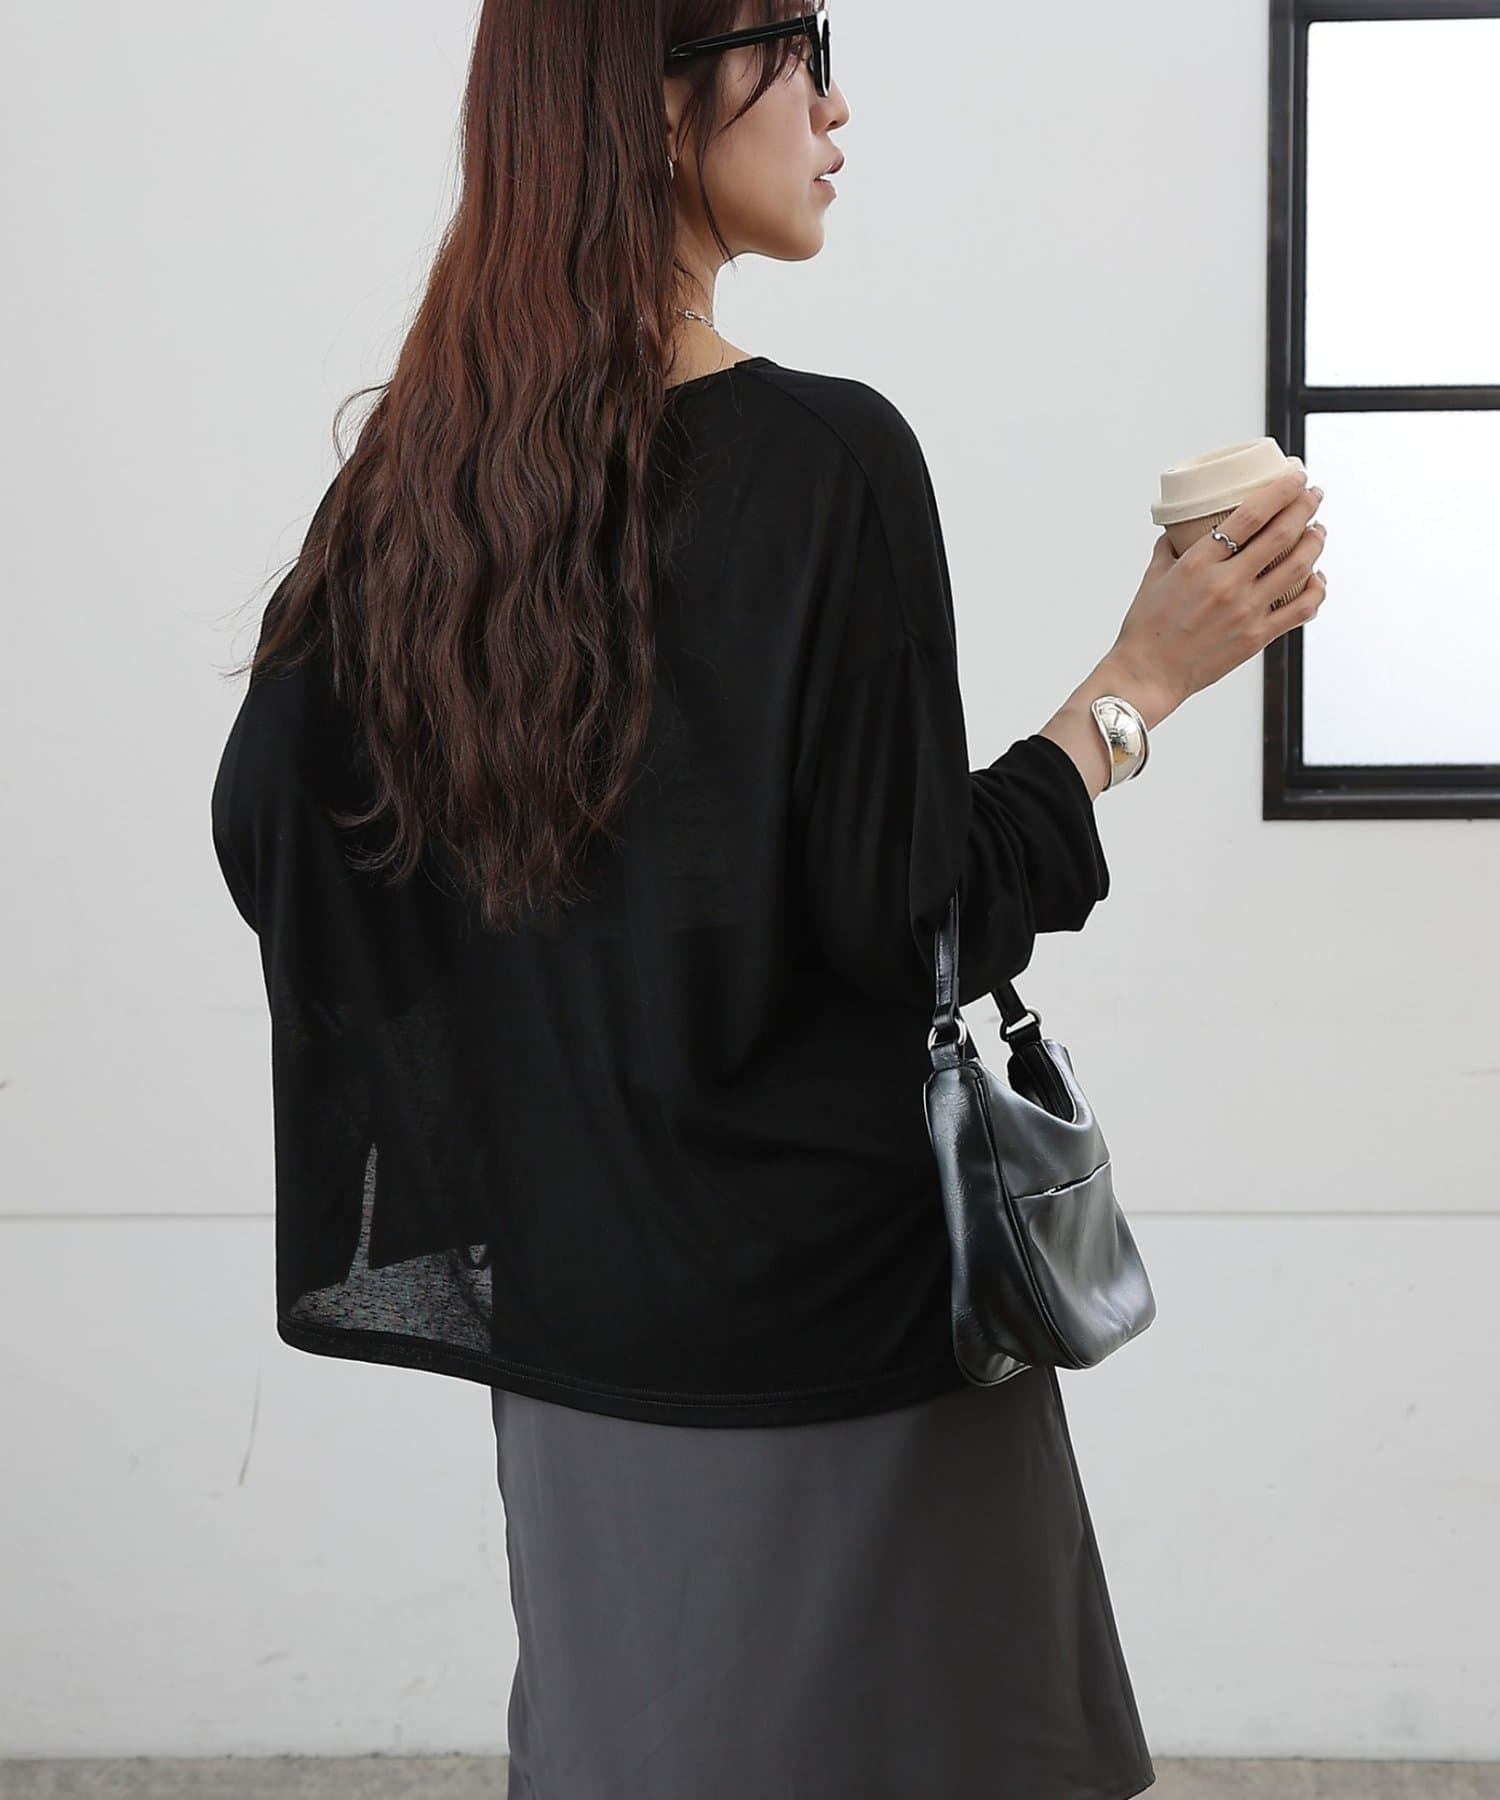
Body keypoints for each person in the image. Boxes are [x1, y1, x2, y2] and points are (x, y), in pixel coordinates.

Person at [210, 2, 1329, 1795]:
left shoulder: (418, 494)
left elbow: (276, 829)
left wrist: (552, 1039)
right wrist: (1137, 687)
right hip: (848, 1351)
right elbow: (915, 922)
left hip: (577, 1342)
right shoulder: (827, 464)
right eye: (800, 45)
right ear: (655, 103)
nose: (835, 100)